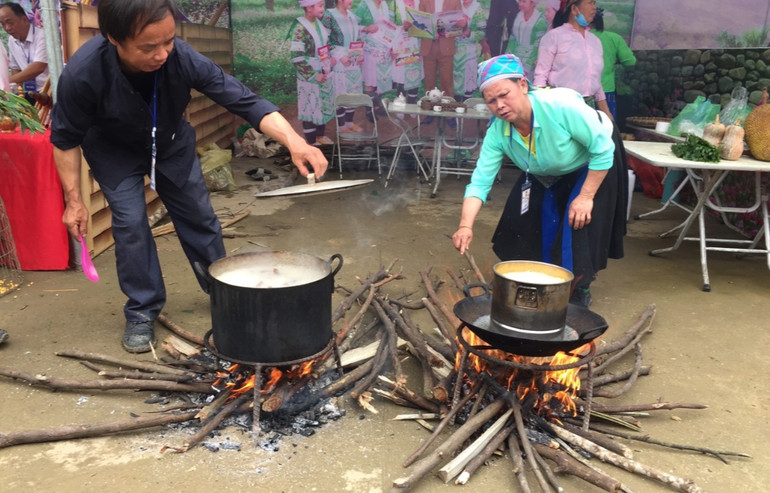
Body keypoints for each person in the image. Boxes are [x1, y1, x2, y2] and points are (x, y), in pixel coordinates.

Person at [50, 0, 328, 353]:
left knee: (199, 216)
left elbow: (243, 100)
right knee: (130, 224)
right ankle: (141, 310)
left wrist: (294, 141)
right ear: (113, 40)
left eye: (168, 41)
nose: (163, 53)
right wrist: (74, 201)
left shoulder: (181, 56)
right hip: (113, 151)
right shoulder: (83, 74)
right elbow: (64, 140)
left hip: (169, 141)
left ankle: (223, 292)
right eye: (149, 47)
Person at [451, 54, 626, 307]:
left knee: (576, 223)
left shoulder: (559, 107)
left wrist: (586, 197)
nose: (499, 105)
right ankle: (538, 279)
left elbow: (602, 149)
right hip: (543, 168)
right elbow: (480, 182)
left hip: (594, 160)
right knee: (524, 222)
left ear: (523, 85)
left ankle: (579, 289)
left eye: (504, 94)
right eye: (491, 101)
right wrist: (465, 225)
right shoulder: (498, 132)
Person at [533, 0, 612, 119]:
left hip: (588, 108)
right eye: (590, 3)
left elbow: (595, 82)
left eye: (595, 3)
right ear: (574, 9)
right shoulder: (554, 37)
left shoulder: (595, 41)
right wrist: (540, 114)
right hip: (560, 107)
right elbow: (540, 77)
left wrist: (607, 114)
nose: (594, 8)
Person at [289, 0, 336, 145]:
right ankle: (310, 142)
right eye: (320, 5)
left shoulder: (319, 24)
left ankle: (320, 136)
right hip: (309, 77)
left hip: (324, 70)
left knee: (322, 105)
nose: (323, 8)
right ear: (309, 8)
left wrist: (332, 57)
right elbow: (296, 58)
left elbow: (327, 45)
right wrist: (314, 75)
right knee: (309, 107)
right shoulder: (299, 28)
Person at [322, 0, 365, 133]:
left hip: (353, 59)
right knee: (340, 93)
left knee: (352, 92)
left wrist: (360, 53)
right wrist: (339, 56)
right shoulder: (329, 15)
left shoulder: (352, 16)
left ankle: (350, 123)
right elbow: (324, 40)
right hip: (339, 59)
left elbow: (357, 38)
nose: (351, 1)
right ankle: (341, 126)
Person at [590, 8, 636, 121]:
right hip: (606, 91)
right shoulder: (614, 38)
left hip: (581, 92)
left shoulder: (579, 37)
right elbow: (630, 61)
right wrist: (613, 60)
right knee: (607, 126)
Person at [354, 0, 394, 119]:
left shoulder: (385, 5)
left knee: (380, 78)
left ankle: (377, 106)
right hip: (369, 48)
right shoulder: (363, 5)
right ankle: (369, 109)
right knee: (370, 79)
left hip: (384, 47)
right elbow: (352, 25)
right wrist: (366, 28)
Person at [0, 2, 48, 94]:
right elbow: (16, 68)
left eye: (10, 23)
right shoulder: (12, 40)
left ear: (24, 20)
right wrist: (19, 91)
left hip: (48, 91)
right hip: (29, 92)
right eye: (3, 24)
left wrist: (5, 82)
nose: (7, 28)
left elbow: (38, 67)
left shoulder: (43, 36)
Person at [452, 0, 487, 102]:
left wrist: (468, 33)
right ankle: (455, 111)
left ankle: (466, 111)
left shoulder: (478, 10)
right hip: (453, 50)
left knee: (467, 82)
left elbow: (482, 33)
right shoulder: (455, 5)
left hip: (469, 52)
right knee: (454, 83)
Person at [391, 0, 423, 107]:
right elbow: (389, 26)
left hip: (416, 45)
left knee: (415, 75)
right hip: (400, 45)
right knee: (401, 76)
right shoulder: (395, 4)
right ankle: (400, 103)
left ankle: (412, 104)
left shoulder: (420, 3)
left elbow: (427, 24)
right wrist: (402, 28)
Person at [505, 0, 547, 78]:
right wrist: (508, 58)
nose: (520, 4)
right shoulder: (518, 16)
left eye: (524, 2)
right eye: (520, 1)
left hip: (530, 62)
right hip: (516, 59)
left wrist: (527, 68)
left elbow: (538, 46)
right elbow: (513, 38)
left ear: (533, 3)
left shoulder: (540, 21)